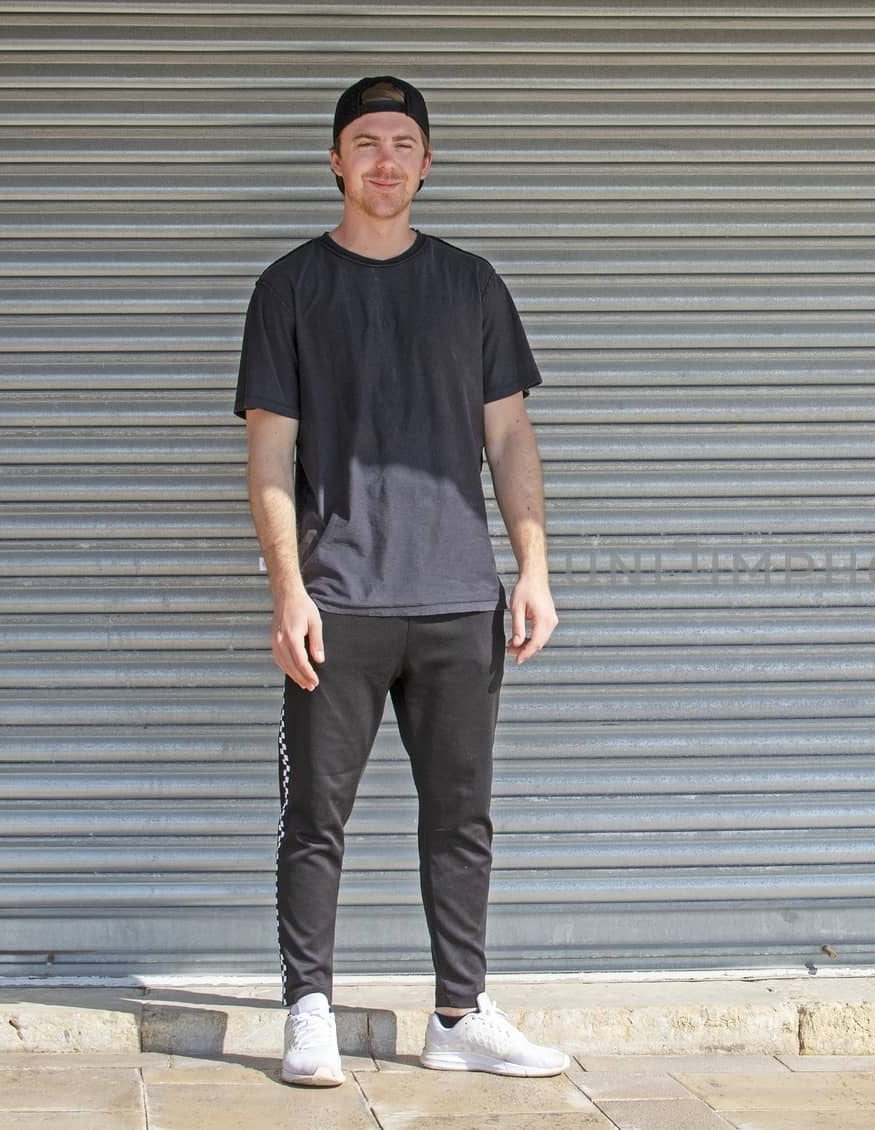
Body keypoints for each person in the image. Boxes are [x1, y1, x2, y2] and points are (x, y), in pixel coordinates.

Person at [235, 75, 566, 1086]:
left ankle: (459, 1014)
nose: (386, 158)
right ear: (335, 160)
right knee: (314, 821)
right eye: (366, 141)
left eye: (404, 142)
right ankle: (309, 1009)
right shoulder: (291, 287)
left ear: (427, 163)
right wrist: (288, 590)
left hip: (459, 598)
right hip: (338, 601)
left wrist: (533, 565)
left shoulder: (470, 284)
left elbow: (509, 436)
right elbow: (267, 462)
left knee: (461, 817)